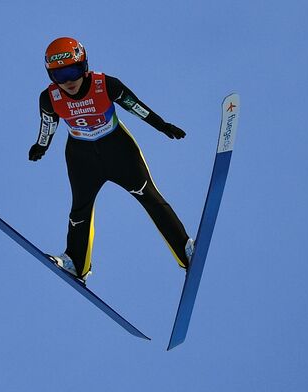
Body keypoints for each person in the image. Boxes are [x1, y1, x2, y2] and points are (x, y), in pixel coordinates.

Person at [29, 37, 194, 283]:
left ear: (84, 66)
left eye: (73, 71)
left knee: (148, 195)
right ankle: (76, 263)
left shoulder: (105, 85)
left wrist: (162, 126)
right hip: (81, 157)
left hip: (118, 149)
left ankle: (185, 250)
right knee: (79, 210)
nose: (68, 81)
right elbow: (47, 126)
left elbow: (136, 107)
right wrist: (41, 146)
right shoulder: (49, 98)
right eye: (59, 76)